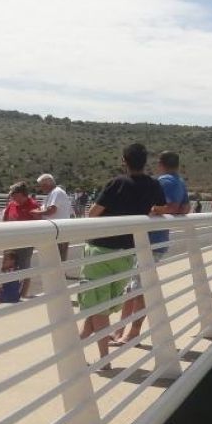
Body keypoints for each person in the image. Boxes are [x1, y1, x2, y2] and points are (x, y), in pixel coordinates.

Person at [79, 143, 166, 361]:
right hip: (127, 252)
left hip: (101, 249)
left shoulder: (116, 183)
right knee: (101, 303)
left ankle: (104, 358)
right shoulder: (153, 185)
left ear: (124, 161)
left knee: (98, 304)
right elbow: (162, 208)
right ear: (145, 162)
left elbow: (93, 213)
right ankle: (75, 348)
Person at [111, 151, 188, 347]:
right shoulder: (180, 182)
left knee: (139, 289)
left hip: (150, 240)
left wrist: (153, 209)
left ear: (160, 164)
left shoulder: (164, 182)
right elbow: (184, 208)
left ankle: (133, 332)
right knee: (132, 288)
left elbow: (171, 206)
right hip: (154, 239)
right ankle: (120, 329)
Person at [3, 182, 42, 298]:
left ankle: (23, 296)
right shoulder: (11, 205)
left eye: (13, 195)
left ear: (20, 194)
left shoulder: (33, 205)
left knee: (24, 268)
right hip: (11, 241)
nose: (12, 198)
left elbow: (39, 223)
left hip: (26, 243)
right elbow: (4, 220)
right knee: (8, 267)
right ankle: (8, 292)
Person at [35, 173, 74, 263]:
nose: (41, 188)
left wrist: (37, 212)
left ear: (47, 184)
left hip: (58, 231)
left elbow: (52, 210)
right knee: (56, 257)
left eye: (42, 186)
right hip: (56, 231)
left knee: (58, 257)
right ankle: (60, 275)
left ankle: (60, 275)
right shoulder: (53, 193)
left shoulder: (56, 192)